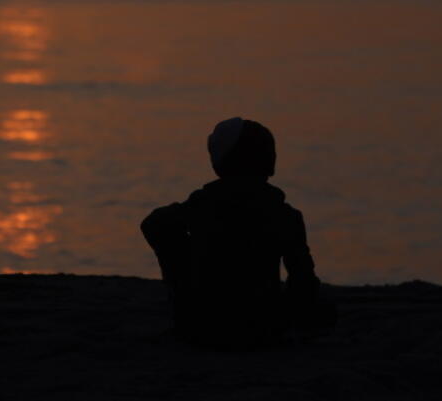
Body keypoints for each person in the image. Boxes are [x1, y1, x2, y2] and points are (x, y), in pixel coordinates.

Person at [140, 117, 334, 348]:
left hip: (204, 325)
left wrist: (181, 269)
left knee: (165, 227)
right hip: (264, 328)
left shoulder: (203, 204)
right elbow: (303, 280)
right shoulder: (285, 214)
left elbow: (153, 224)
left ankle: (187, 306)